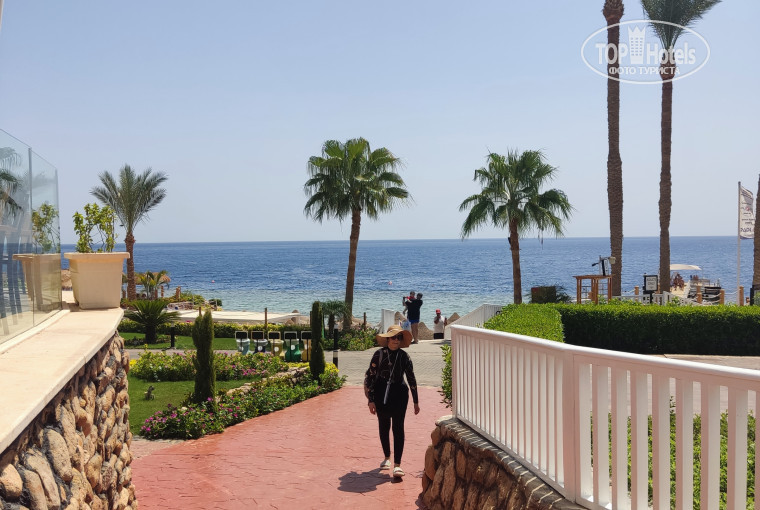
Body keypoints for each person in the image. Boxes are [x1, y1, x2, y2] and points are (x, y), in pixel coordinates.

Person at [364, 325, 420, 479]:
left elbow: (411, 378)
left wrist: (416, 401)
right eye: (394, 337)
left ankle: (397, 465)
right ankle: (387, 457)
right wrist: (370, 400)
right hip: (381, 392)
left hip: (400, 394)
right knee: (384, 425)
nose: (396, 340)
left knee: (398, 427)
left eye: (399, 337)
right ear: (388, 339)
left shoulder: (404, 356)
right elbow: (370, 377)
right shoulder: (379, 354)